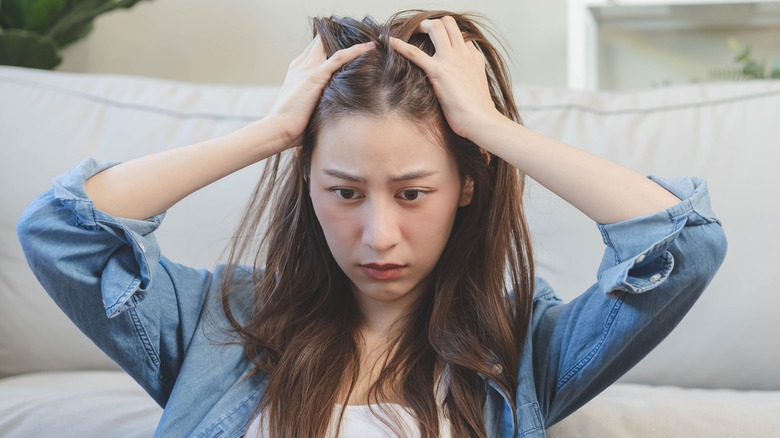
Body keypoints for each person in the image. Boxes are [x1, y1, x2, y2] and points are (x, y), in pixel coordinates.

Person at [17, 9, 726, 438]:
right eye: (346, 192)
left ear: (468, 187)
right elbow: (61, 231)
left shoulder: (520, 350)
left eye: (413, 194)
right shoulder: (218, 323)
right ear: (309, 183)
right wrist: (268, 134)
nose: (379, 235)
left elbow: (681, 243)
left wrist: (488, 128)